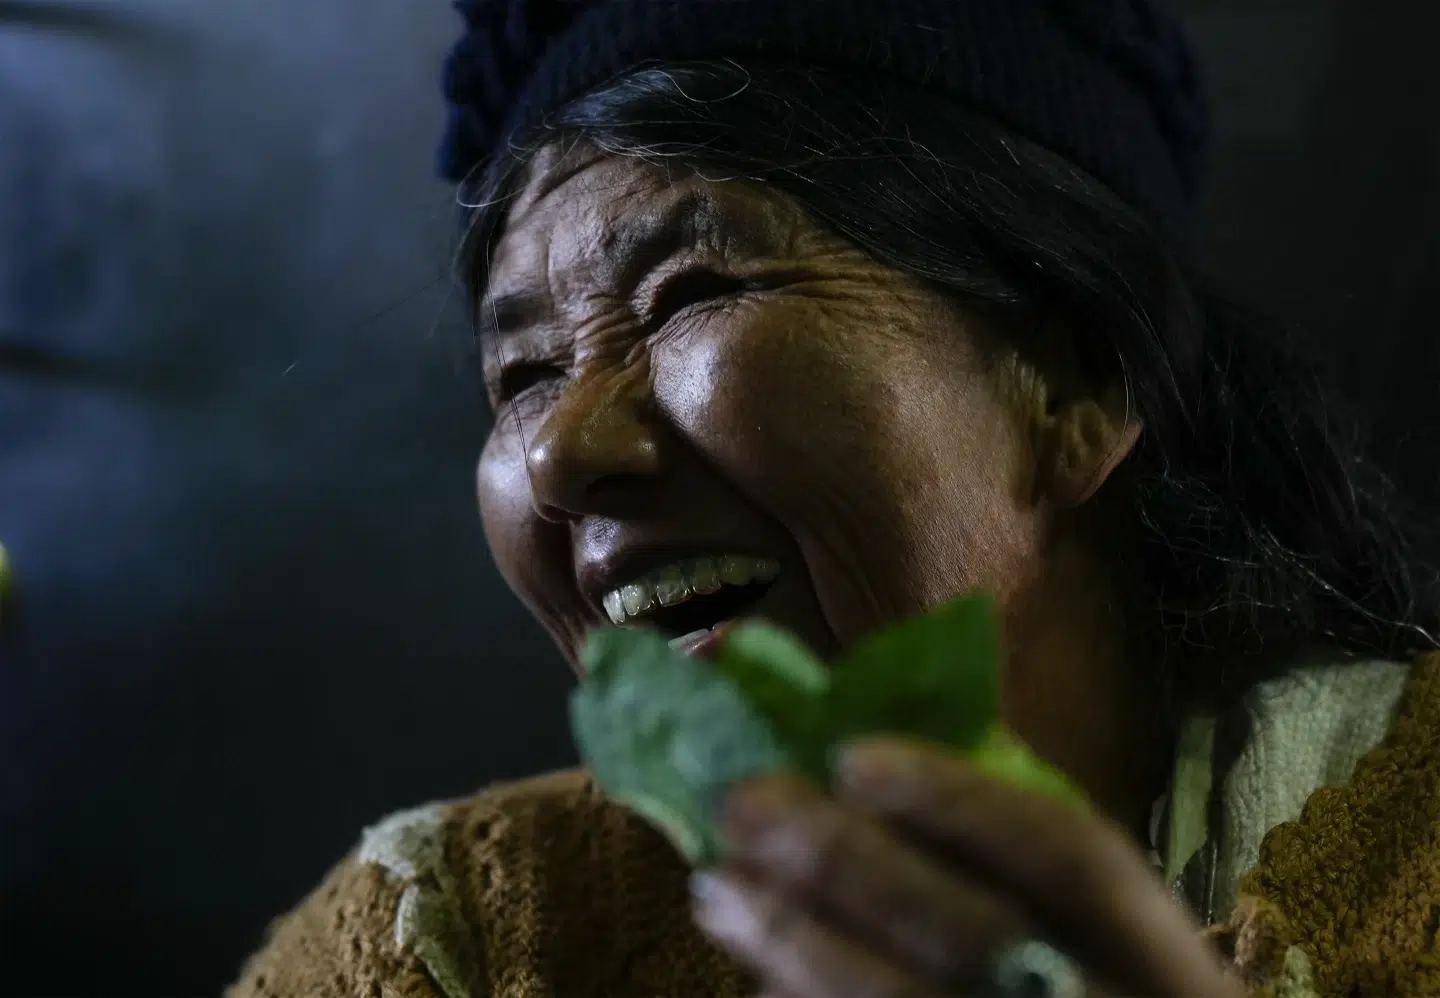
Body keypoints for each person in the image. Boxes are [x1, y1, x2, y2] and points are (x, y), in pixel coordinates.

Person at [229, 2, 1440, 996]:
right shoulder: (450, 941)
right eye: (526, 373)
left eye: (687, 290)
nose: (556, 456)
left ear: (1077, 379)